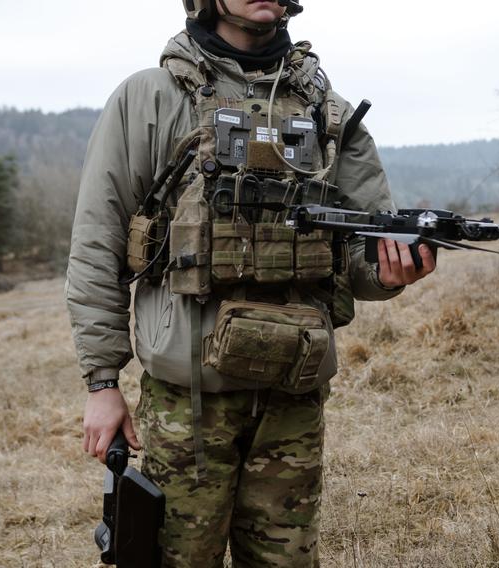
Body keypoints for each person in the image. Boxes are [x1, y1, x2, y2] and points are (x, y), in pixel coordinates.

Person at [66, 1, 436, 565]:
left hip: (293, 393)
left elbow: (364, 250)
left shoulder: (329, 113)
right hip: (187, 401)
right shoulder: (151, 98)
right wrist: (101, 381)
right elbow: (97, 241)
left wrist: (391, 271)